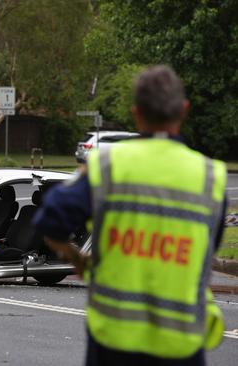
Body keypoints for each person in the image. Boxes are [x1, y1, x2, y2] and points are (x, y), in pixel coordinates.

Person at [33, 65, 226, 365]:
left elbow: (50, 219)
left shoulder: (108, 165)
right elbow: (206, 254)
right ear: (184, 110)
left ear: (136, 113)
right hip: (180, 347)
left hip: (114, 343)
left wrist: (78, 260)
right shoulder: (210, 178)